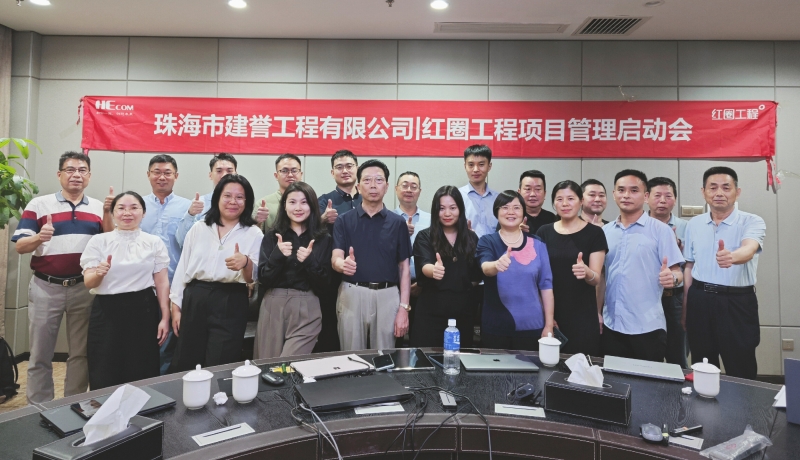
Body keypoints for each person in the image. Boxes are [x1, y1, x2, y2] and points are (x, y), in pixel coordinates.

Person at [12, 152, 104, 403]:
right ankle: (38, 408)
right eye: (70, 169)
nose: (76, 175)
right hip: (45, 286)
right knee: (40, 354)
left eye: (82, 170)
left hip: (83, 288)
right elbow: (20, 246)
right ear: (59, 174)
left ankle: (74, 406)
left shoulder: (98, 208)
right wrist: (38, 237)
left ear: (89, 176)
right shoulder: (39, 205)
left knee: (80, 353)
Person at [169, 174, 263, 371]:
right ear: (217, 198)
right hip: (196, 296)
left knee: (222, 361)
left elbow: (252, 277)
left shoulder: (253, 233)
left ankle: (219, 393)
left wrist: (246, 262)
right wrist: (176, 307)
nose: (233, 202)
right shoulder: (199, 228)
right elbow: (182, 268)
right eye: (227, 196)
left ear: (247, 202)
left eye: (240, 197)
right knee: (187, 359)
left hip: (231, 298)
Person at [80, 191, 170, 390]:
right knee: (105, 365)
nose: (127, 213)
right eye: (121, 208)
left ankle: (144, 408)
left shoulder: (153, 242)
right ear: (112, 213)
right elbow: (89, 282)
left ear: (143, 212)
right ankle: (105, 408)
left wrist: (165, 317)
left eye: (134, 208)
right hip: (106, 310)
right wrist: (99, 273)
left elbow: (162, 282)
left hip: (143, 309)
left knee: (141, 365)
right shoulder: (99, 241)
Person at [682, 167, 765, 380]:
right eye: (713, 187)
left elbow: (749, 248)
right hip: (699, 299)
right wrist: (686, 307)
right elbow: (689, 266)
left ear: (737, 192)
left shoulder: (752, 221)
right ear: (703, 192)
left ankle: (745, 402)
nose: (719, 193)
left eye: (726, 187)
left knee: (741, 365)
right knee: (702, 364)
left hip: (736, 302)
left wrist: (732, 257)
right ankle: (703, 402)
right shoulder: (694, 224)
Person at [601, 170, 684, 362]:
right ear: (614, 194)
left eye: (634, 190)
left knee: (647, 380)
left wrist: (672, 278)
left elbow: (677, 272)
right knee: (613, 379)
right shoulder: (605, 231)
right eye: (621, 190)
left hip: (647, 326)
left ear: (645, 196)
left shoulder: (661, 231)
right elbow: (603, 277)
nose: (626, 195)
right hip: (611, 324)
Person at [331, 159, 412, 351]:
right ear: (358, 186)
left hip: (388, 295)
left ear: (387, 186)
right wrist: (342, 265)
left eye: (379, 180)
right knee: (351, 356)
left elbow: (404, 269)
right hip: (352, 293)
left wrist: (404, 308)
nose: (373, 185)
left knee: (385, 358)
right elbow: (335, 258)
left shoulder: (398, 223)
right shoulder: (344, 221)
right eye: (367, 180)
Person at [256, 182, 331, 358]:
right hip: (273, 303)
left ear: (312, 206)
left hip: (308, 304)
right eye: (292, 202)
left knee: (290, 362)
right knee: (269, 364)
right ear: (284, 206)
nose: (298, 208)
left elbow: (325, 284)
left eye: (304, 202)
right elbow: (263, 278)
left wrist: (310, 261)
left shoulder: (323, 238)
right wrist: (277, 256)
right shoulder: (272, 236)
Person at [536, 181, 607, 357]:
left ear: (581, 201)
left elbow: (596, 279)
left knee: (582, 365)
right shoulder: (544, 232)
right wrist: (547, 316)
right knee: (548, 363)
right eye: (559, 199)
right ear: (553, 203)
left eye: (570, 198)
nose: (565, 204)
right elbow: (537, 277)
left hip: (582, 315)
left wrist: (587, 273)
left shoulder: (595, 233)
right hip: (549, 312)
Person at [477, 190, 554, 350]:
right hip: (496, 326)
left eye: (516, 208)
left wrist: (548, 325)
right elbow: (485, 268)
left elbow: (546, 286)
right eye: (505, 207)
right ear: (496, 212)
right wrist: (496, 265)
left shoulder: (538, 243)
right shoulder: (487, 241)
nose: (511, 212)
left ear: (523, 213)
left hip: (533, 326)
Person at [138, 154, 191, 374]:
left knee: (168, 343)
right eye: (157, 172)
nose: (162, 177)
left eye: (167, 173)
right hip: (141, 286)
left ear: (176, 176)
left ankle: (162, 387)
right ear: (148, 175)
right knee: (141, 340)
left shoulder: (188, 208)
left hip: (174, 286)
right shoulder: (137, 206)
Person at [411, 186, 481, 347]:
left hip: (463, 312)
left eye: (453, 208)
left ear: (460, 209)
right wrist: (433, 270)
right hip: (430, 311)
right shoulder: (425, 236)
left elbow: (476, 274)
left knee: (461, 358)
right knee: (426, 357)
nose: (447, 213)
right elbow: (424, 265)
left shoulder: (471, 238)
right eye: (441, 208)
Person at [313, 149, 362, 353]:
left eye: (349, 166)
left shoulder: (368, 199)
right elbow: (308, 231)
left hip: (364, 273)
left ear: (357, 169)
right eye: (339, 167)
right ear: (332, 172)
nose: (345, 171)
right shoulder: (324, 201)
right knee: (331, 328)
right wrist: (323, 219)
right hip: (331, 275)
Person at [175, 153, 269, 247]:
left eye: (229, 171)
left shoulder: (242, 202)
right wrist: (190, 214)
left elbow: (250, 239)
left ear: (236, 174)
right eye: (219, 171)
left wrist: (258, 221)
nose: (224, 175)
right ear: (210, 175)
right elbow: (182, 241)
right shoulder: (199, 204)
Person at [647, 176, 688, 368]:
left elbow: (692, 264)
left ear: (675, 199)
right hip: (645, 299)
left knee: (677, 355)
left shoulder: (687, 227)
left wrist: (677, 250)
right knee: (647, 354)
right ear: (646, 197)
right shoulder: (638, 225)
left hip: (675, 298)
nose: (662, 201)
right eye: (657, 195)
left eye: (668, 196)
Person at [393, 171, 431, 346]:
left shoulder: (431, 220)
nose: (409, 190)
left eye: (413, 186)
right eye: (405, 185)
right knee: (394, 338)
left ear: (420, 191)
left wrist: (422, 283)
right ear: (396, 189)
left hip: (424, 288)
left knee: (420, 339)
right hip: (393, 289)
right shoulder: (387, 219)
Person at [496, 170, 557, 235]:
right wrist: (513, 232)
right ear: (519, 193)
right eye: (528, 189)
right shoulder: (509, 217)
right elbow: (497, 240)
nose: (533, 194)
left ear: (544, 194)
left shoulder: (552, 219)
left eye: (538, 189)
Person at [255, 153, 303, 232]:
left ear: (301, 174)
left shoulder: (309, 202)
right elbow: (253, 235)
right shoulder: (262, 205)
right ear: (276, 175)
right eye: (284, 171)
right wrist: (258, 222)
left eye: (294, 171)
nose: (290, 175)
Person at [459, 145, 498, 238]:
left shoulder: (498, 199)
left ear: (489, 166)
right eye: (471, 165)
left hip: (493, 247)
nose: (476, 170)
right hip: (466, 246)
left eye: (481, 164)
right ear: (465, 166)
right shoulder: (457, 196)